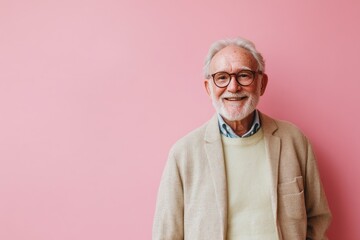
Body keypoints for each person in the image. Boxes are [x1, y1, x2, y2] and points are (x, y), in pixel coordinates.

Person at [152, 37, 331, 240]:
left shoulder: (295, 141)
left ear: (261, 83)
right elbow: (166, 234)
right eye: (221, 77)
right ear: (208, 87)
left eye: (244, 76)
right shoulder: (183, 154)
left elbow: (318, 220)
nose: (233, 87)